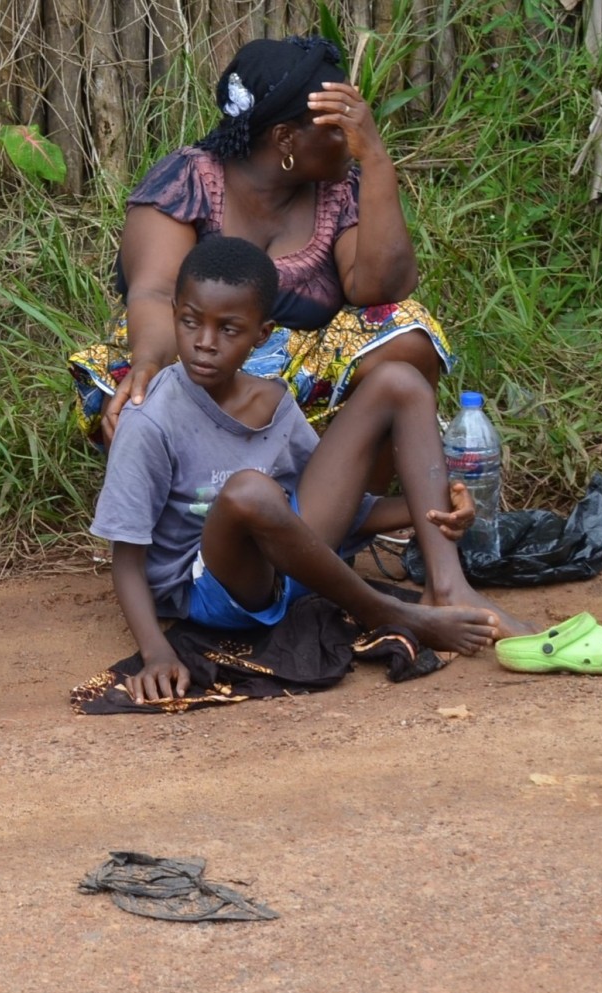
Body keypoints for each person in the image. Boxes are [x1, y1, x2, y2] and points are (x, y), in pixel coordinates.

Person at [90, 238, 531, 705]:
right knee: (249, 492)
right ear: (174, 312)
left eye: (229, 329)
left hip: (295, 567)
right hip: (214, 592)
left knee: (400, 380)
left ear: (262, 334)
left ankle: (447, 587)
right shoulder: (150, 419)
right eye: (190, 321)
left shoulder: (275, 402)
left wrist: (430, 509)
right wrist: (156, 650)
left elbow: (321, 513)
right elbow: (128, 555)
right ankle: (385, 610)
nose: (204, 342)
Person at [71, 35, 451, 480]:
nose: (351, 140)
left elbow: (381, 289)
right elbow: (155, 292)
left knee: (408, 333)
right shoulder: (189, 181)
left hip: (296, 386)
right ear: (285, 138)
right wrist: (150, 365)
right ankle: (203, 492)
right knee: (153, 386)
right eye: (337, 128)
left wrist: (378, 161)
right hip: (194, 364)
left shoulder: (339, 191)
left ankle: (337, 509)